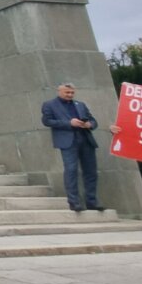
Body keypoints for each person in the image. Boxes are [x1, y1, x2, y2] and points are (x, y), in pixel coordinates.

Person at [42, 83, 103, 212]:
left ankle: (92, 202)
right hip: (68, 141)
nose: (70, 95)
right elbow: (47, 121)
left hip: (86, 139)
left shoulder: (80, 105)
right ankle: (74, 202)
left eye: (72, 93)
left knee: (91, 172)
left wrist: (89, 124)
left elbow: (93, 121)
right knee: (71, 170)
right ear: (59, 91)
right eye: (67, 92)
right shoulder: (50, 105)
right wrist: (69, 123)